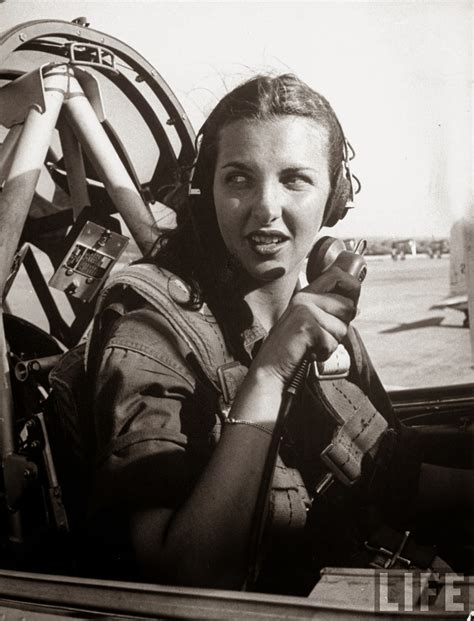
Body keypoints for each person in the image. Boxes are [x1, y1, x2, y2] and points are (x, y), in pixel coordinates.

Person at [84, 74, 473, 595]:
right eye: (239, 179)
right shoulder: (151, 339)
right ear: (208, 192)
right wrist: (270, 370)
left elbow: (391, 479)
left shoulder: (318, 319)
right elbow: (187, 579)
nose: (265, 207)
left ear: (334, 199)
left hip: (365, 586)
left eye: (294, 179)